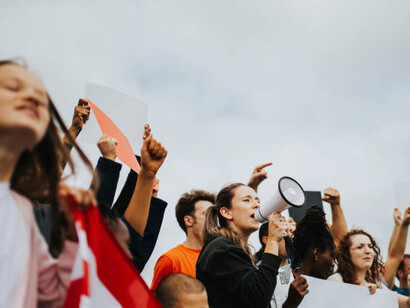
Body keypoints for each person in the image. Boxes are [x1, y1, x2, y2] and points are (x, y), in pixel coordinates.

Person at [0, 59, 95, 307]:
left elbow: (53, 296)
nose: (31, 96)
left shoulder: (23, 215)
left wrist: (75, 235)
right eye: (13, 87)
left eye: (41, 99)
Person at [196, 183, 286, 308]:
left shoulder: (229, 248)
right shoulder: (222, 250)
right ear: (226, 212)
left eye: (257, 200)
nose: (257, 205)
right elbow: (258, 298)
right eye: (246, 200)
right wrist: (273, 241)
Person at [151, 189, 215, 290]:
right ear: (189, 220)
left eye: (214, 215)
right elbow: (154, 302)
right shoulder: (171, 260)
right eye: (207, 214)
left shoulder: (220, 257)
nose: (214, 219)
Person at [328, 229, 410, 307]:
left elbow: (406, 304)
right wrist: (362, 293)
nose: (367, 251)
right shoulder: (335, 280)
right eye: (360, 247)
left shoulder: (378, 286)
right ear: (347, 254)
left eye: (370, 246)